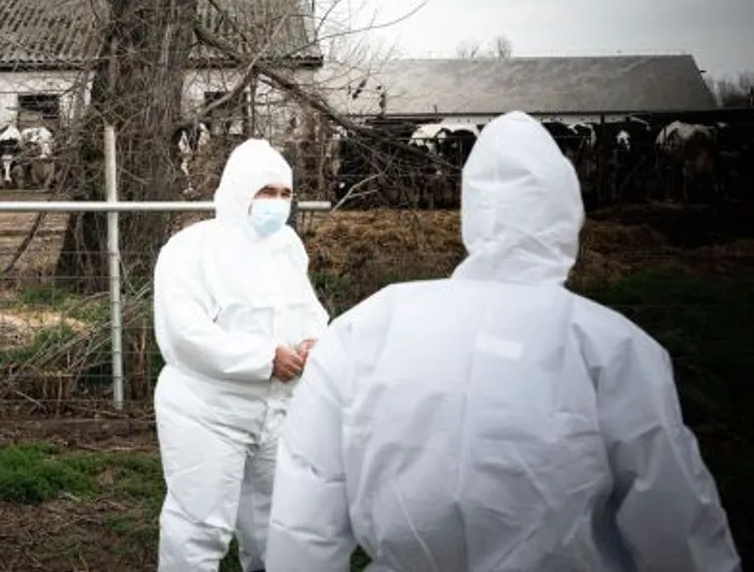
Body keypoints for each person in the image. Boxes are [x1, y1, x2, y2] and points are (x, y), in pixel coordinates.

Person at [265, 111, 741, 572]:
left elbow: (308, 500)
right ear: (567, 212)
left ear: (472, 208)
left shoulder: (370, 326)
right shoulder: (611, 347)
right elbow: (676, 521)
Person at [153, 137, 331, 572]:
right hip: (207, 410)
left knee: (276, 523)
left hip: (276, 411)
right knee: (200, 524)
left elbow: (308, 310)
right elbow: (185, 333)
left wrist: (315, 343)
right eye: (266, 191)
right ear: (239, 189)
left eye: (285, 193)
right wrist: (265, 358)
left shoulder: (287, 245)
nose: (277, 202)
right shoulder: (192, 248)